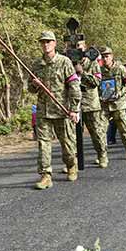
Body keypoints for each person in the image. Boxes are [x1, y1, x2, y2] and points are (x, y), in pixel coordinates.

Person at [30, 31, 81, 190]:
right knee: (43, 143)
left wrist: (74, 109)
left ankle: (72, 165)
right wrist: (35, 85)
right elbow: (30, 88)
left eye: (48, 42)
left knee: (67, 144)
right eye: (43, 42)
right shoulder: (37, 65)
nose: (45, 45)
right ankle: (46, 175)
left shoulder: (64, 62)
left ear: (54, 43)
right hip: (43, 111)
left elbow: (74, 86)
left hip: (62, 109)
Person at [76, 41, 109, 168]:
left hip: (90, 103)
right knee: (73, 135)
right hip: (74, 103)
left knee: (96, 132)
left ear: (84, 48)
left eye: (79, 46)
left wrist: (82, 73)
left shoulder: (92, 63)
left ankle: (102, 155)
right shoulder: (68, 63)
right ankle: (74, 161)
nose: (76, 49)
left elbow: (96, 81)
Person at [100, 47, 126, 160]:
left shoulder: (120, 68)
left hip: (118, 104)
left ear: (112, 56)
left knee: (123, 129)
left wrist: (120, 93)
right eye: (103, 56)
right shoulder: (99, 70)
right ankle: (102, 154)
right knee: (101, 130)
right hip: (104, 105)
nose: (105, 59)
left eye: (107, 56)